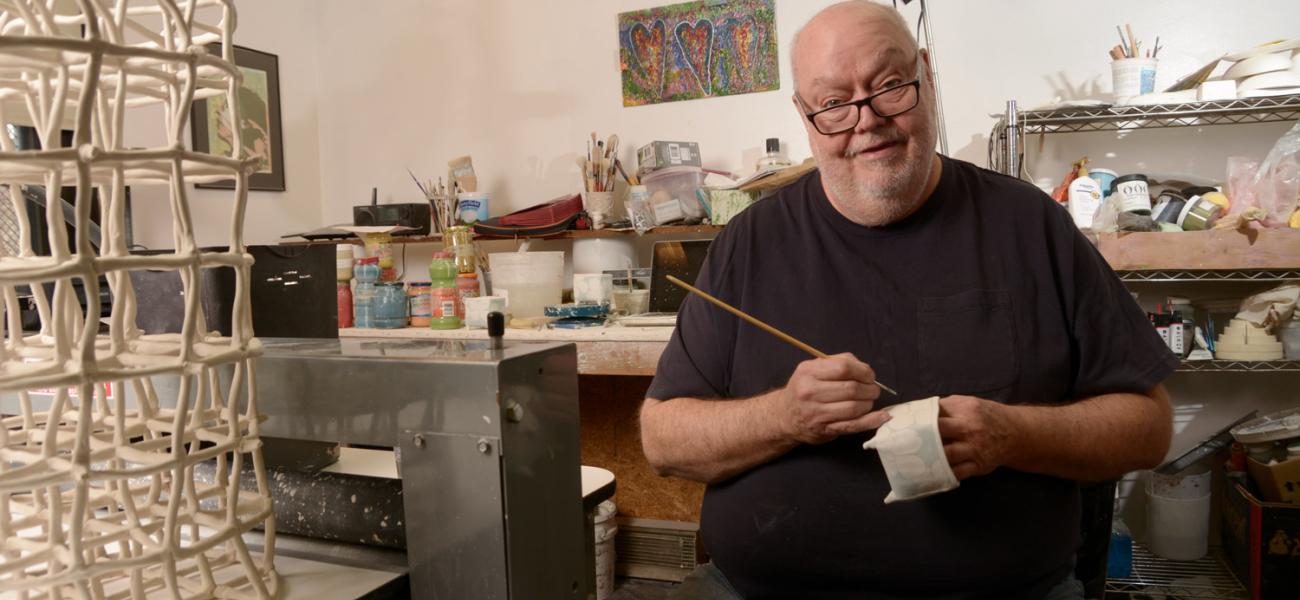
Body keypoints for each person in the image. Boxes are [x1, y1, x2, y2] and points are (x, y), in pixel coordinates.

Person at [639, 2, 1176, 599]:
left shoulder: (1030, 225)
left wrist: (1013, 435)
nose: (865, 120)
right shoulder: (749, 242)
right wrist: (783, 416)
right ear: (804, 113)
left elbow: (1149, 428)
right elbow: (663, 441)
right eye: (834, 102)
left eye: (890, 85)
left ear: (926, 75)